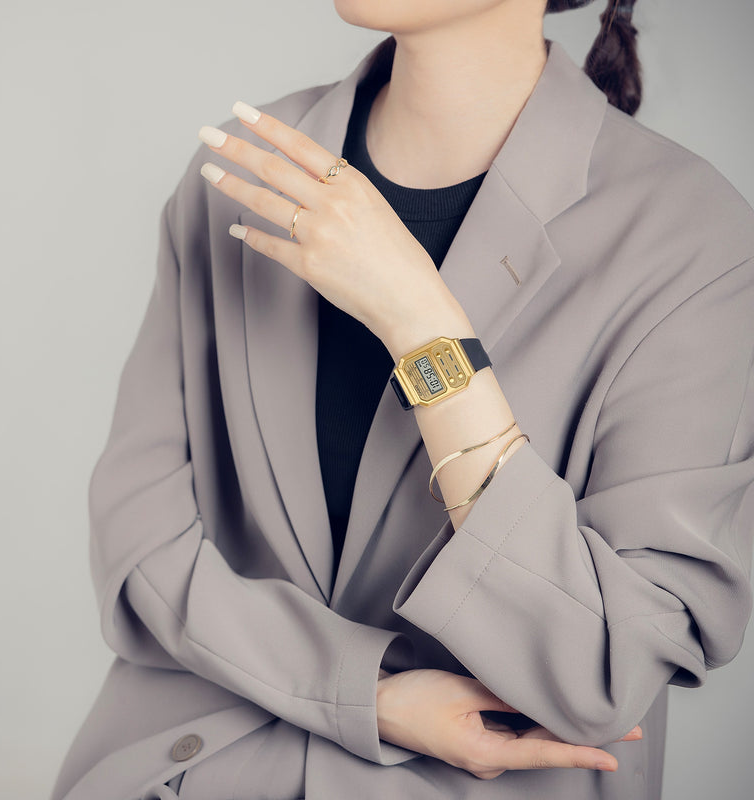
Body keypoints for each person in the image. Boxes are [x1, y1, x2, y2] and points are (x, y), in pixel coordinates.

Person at [51, 1, 754, 798]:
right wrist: (366, 695)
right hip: (187, 768)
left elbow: (604, 670)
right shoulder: (245, 169)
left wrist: (422, 326)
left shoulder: (693, 238)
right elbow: (137, 545)